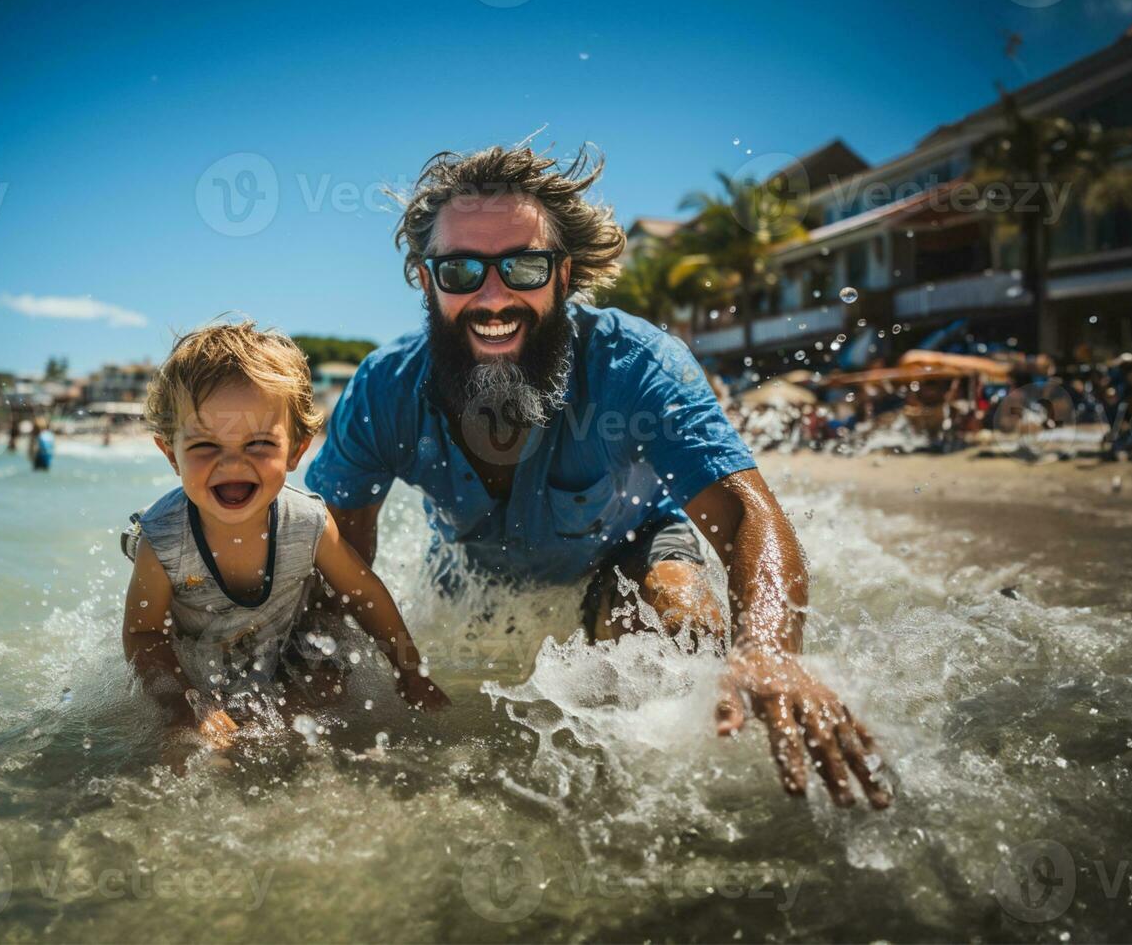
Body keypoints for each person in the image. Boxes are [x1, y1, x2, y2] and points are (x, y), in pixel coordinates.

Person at [305, 144, 890, 807]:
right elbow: (334, 557)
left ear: (564, 273)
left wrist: (769, 650)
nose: (492, 298)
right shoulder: (384, 389)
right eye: (461, 269)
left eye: (523, 266)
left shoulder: (638, 365)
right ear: (425, 278)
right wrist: (322, 691)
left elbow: (747, 513)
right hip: (466, 571)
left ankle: (652, 806)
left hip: (628, 544)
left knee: (683, 624)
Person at [121, 320, 448, 750]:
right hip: (198, 654)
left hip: (282, 642)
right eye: (205, 447)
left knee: (328, 691)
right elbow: (144, 635)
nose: (233, 465)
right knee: (187, 744)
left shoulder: (307, 521)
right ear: (171, 455)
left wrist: (410, 672)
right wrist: (187, 703)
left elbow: (366, 594)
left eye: (258, 444)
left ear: (296, 450)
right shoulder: (162, 540)